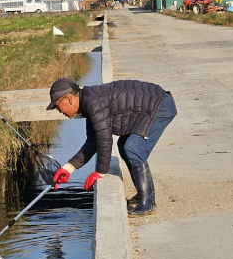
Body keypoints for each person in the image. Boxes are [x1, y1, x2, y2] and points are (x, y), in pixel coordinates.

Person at [47, 77, 176, 216]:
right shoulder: (89, 102)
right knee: (124, 145)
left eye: (57, 105)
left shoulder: (93, 103)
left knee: (133, 148)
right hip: (152, 106)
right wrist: (69, 168)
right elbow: (93, 142)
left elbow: (105, 139)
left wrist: (100, 172)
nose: (59, 111)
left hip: (159, 105)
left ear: (68, 98)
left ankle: (148, 203)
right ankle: (142, 195)